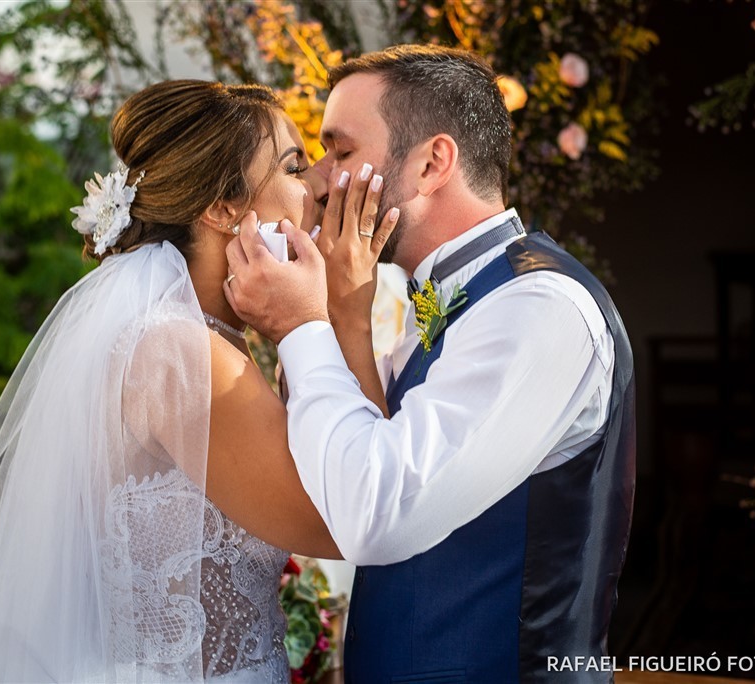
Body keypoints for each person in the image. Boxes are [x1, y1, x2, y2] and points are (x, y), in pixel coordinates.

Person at [0, 80, 396, 683]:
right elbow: (354, 519)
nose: (320, 186)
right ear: (222, 209)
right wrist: (345, 314)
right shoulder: (176, 354)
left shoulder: (192, 337)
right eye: (293, 167)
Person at [225, 44, 636, 682]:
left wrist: (301, 327)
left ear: (431, 163)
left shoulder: (539, 307)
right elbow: (355, 463)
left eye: (341, 151)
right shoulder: (441, 301)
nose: (321, 181)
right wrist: (344, 316)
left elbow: (375, 516)